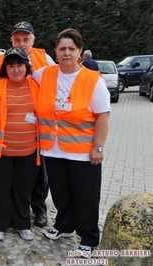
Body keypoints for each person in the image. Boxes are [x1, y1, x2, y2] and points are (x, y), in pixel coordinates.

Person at [32, 28, 110, 255]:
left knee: (86, 196)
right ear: (55, 52)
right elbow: (20, 78)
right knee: (60, 193)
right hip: (53, 149)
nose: (67, 53)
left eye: (71, 49)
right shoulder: (44, 74)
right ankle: (64, 225)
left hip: (83, 152)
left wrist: (98, 147)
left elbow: (103, 116)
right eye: (62, 48)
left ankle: (89, 236)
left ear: (80, 52)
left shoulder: (93, 80)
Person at [0, 21, 55, 227]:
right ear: (12, 40)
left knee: (40, 176)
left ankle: (39, 209)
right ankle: (14, 212)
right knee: (15, 178)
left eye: (25, 39)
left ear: (33, 40)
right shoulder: (3, 59)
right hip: (10, 131)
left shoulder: (45, 59)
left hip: (37, 128)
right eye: (17, 39)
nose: (21, 43)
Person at [0, 46, 39, 241]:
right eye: (11, 65)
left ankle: (22, 223)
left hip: (29, 151)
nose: (16, 70)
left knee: (23, 190)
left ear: (26, 66)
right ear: (5, 68)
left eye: (20, 65)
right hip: (0, 152)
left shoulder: (35, 87)